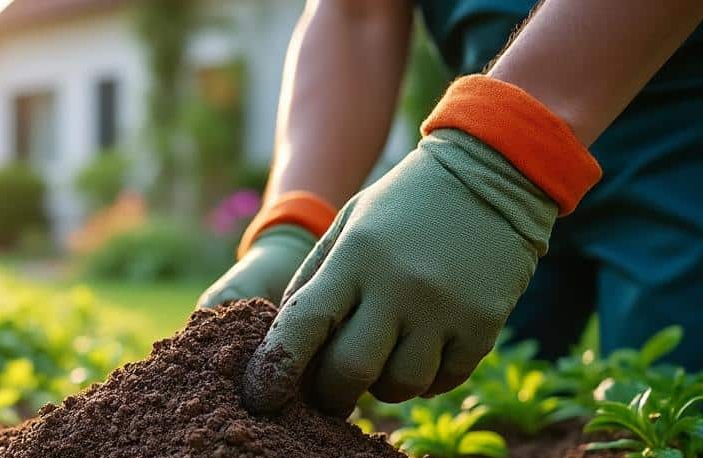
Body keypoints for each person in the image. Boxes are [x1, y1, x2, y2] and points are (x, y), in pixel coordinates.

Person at [197, 0, 703, 418]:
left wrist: (496, 162)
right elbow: (358, 13)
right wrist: (297, 225)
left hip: (678, 144)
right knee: (482, 414)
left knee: (670, 417)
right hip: (476, 191)